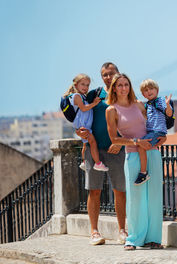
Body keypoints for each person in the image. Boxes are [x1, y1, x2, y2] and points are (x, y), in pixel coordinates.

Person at [106, 73, 165, 250]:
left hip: (153, 153)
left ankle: (153, 238)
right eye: (119, 85)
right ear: (114, 88)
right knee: (135, 197)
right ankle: (133, 239)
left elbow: (154, 124)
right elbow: (114, 139)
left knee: (154, 196)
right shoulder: (111, 110)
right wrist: (136, 142)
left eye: (126, 84)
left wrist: (162, 138)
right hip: (132, 155)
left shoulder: (139, 104)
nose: (123, 88)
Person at [75, 63, 127, 245]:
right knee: (94, 191)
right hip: (94, 150)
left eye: (111, 73)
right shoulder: (94, 95)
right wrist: (79, 132)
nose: (107, 77)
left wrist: (122, 143)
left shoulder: (123, 94)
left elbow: (132, 120)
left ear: (117, 74)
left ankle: (122, 231)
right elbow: (80, 115)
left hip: (117, 149)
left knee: (120, 191)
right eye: (104, 74)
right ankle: (94, 232)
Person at [63, 73, 109, 172]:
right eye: (83, 84)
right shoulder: (76, 96)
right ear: (76, 85)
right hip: (83, 126)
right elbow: (83, 109)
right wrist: (94, 103)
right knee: (92, 142)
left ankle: (84, 162)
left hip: (84, 125)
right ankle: (98, 163)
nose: (85, 87)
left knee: (85, 144)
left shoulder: (82, 96)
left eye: (87, 85)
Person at [134, 79, 172, 186]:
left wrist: (168, 105)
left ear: (157, 90)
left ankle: (143, 173)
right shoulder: (147, 105)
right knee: (146, 147)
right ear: (143, 94)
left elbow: (169, 114)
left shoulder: (160, 101)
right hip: (152, 131)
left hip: (157, 131)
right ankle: (157, 176)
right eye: (146, 90)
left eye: (151, 89)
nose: (149, 91)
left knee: (141, 146)